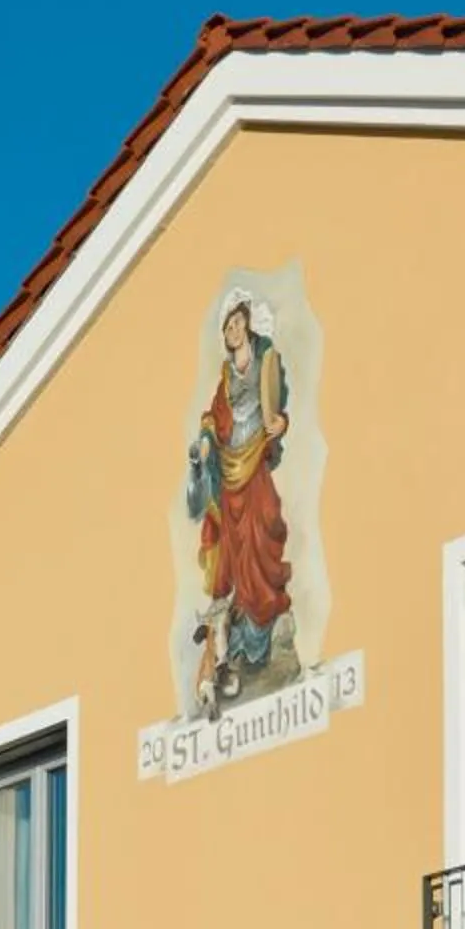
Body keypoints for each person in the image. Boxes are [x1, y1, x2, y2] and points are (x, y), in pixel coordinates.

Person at [186, 290, 294, 712]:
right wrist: (208, 444)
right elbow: (212, 419)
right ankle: (231, 653)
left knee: (266, 527)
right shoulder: (226, 378)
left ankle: (260, 634)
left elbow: (277, 404)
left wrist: (282, 422)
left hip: (257, 458)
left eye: (236, 323)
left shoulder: (266, 360)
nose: (231, 331)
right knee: (237, 549)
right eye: (226, 327)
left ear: (247, 324)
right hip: (231, 468)